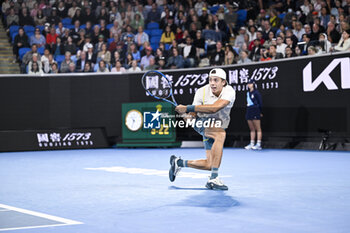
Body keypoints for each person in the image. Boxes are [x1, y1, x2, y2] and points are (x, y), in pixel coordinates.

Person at [170, 68, 236, 190]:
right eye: (210, 80)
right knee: (220, 135)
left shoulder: (229, 91)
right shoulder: (201, 92)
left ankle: (179, 163)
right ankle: (214, 179)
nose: (212, 83)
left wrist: (187, 108)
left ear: (224, 82)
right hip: (202, 122)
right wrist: (184, 114)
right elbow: (192, 117)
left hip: (217, 123)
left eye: (216, 80)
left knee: (210, 164)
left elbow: (214, 108)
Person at [244, 79, 263, 150]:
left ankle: (258, 144)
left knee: (258, 128)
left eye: (250, 83)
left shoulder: (256, 93)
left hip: (256, 110)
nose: (249, 85)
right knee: (252, 129)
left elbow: (260, 103)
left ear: (253, 84)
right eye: (248, 84)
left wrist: (260, 112)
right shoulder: (248, 93)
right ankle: (252, 143)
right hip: (249, 110)